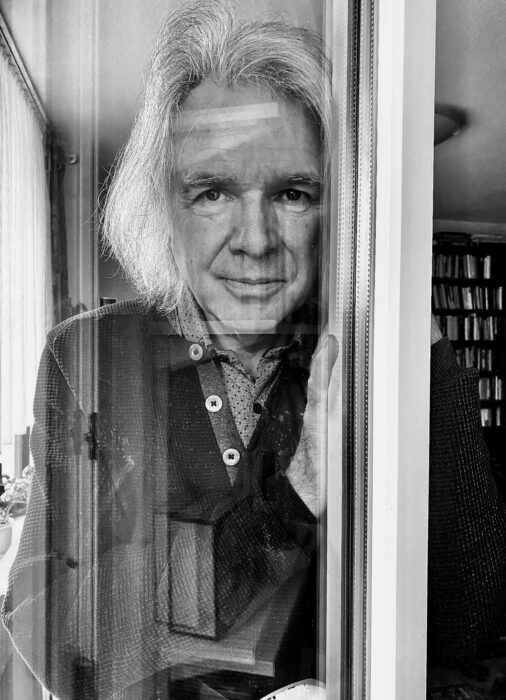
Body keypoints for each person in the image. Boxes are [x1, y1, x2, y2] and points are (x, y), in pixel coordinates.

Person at [2, 2, 506, 699]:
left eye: (294, 193)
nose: (257, 240)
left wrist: (420, 348)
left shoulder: (363, 355)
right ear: (163, 206)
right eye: (212, 191)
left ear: (337, 214)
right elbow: (53, 633)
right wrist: (297, 494)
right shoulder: (88, 354)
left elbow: (466, 627)